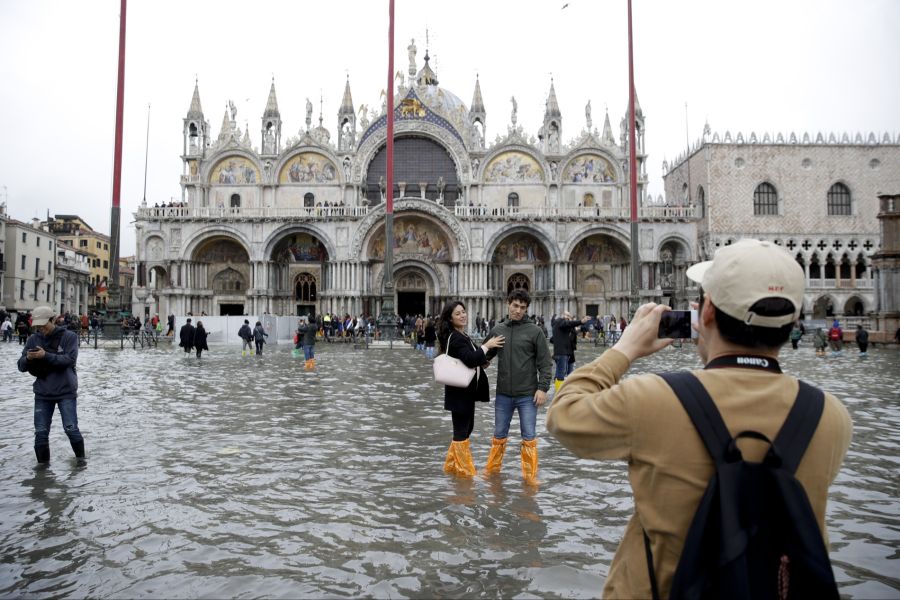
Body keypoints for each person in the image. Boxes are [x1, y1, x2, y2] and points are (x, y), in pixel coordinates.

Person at [546, 239, 852, 598]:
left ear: (705, 313)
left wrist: (625, 348)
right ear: (793, 322)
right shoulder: (831, 416)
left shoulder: (653, 398)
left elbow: (564, 415)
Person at [482, 289, 553, 483]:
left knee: (529, 436)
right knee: (498, 435)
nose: (518, 310)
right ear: (508, 303)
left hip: (527, 395)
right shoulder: (498, 330)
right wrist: (481, 357)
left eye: (522, 307)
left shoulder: (535, 331)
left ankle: (530, 477)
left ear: (526, 309)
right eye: (515, 306)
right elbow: (484, 355)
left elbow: (545, 363)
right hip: (504, 394)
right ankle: (492, 473)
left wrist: (543, 388)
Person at [437, 300, 504, 477]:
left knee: (466, 429)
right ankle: (465, 474)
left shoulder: (463, 336)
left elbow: (473, 359)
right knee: (461, 431)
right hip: (459, 393)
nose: (463, 315)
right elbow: (469, 359)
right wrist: (486, 346)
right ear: (450, 319)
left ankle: (451, 468)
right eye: (457, 313)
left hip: (465, 392)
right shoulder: (456, 337)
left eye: (463, 311)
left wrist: (484, 361)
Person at [16, 306, 85, 465]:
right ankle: (42, 474)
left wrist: (45, 355)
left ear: (53, 320)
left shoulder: (69, 337)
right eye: (38, 326)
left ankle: (81, 463)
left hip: (66, 391)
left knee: (71, 429)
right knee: (40, 434)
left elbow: (69, 360)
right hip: (42, 393)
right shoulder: (33, 339)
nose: (41, 329)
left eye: (43, 325)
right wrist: (28, 357)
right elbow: (20, 366)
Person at [551, 311, 588, 391]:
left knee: (561, 372)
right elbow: (567, 324)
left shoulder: (562, 325)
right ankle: (558, 392)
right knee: (561, 373)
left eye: (569, 316)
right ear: (562, 316)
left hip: (565, 352)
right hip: (561, 352)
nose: (568, 317)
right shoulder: (560, 321)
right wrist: (581, 321)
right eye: (567, 315)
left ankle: (560, 389)